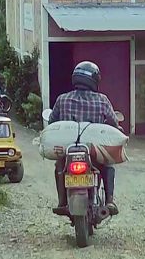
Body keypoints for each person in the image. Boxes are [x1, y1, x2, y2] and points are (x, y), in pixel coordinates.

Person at [48, 61, 120, 216]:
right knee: (108, 164)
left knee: (60, 166)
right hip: (94, 151)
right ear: (95, 80)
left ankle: (62, 202)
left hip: (69, 151)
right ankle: (109, 200)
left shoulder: (62, 99)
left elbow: (52, 122)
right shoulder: (102, 100)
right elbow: (113, 122)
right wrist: (118, 129)